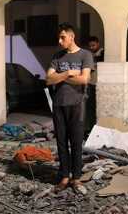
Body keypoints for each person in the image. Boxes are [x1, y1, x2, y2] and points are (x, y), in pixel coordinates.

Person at [46, 23, 93, 195]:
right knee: (61, 142)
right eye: (59, 37)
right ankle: (65, 176)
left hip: (77, 104)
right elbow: (48, 79)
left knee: (76, 142)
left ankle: (77, 177)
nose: (60, 41)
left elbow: (84, 80)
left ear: (72, 37)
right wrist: (67, 74)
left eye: (63, 37)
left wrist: (58, 77)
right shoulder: (57, 56)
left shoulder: (85, 55)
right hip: (59, 104)